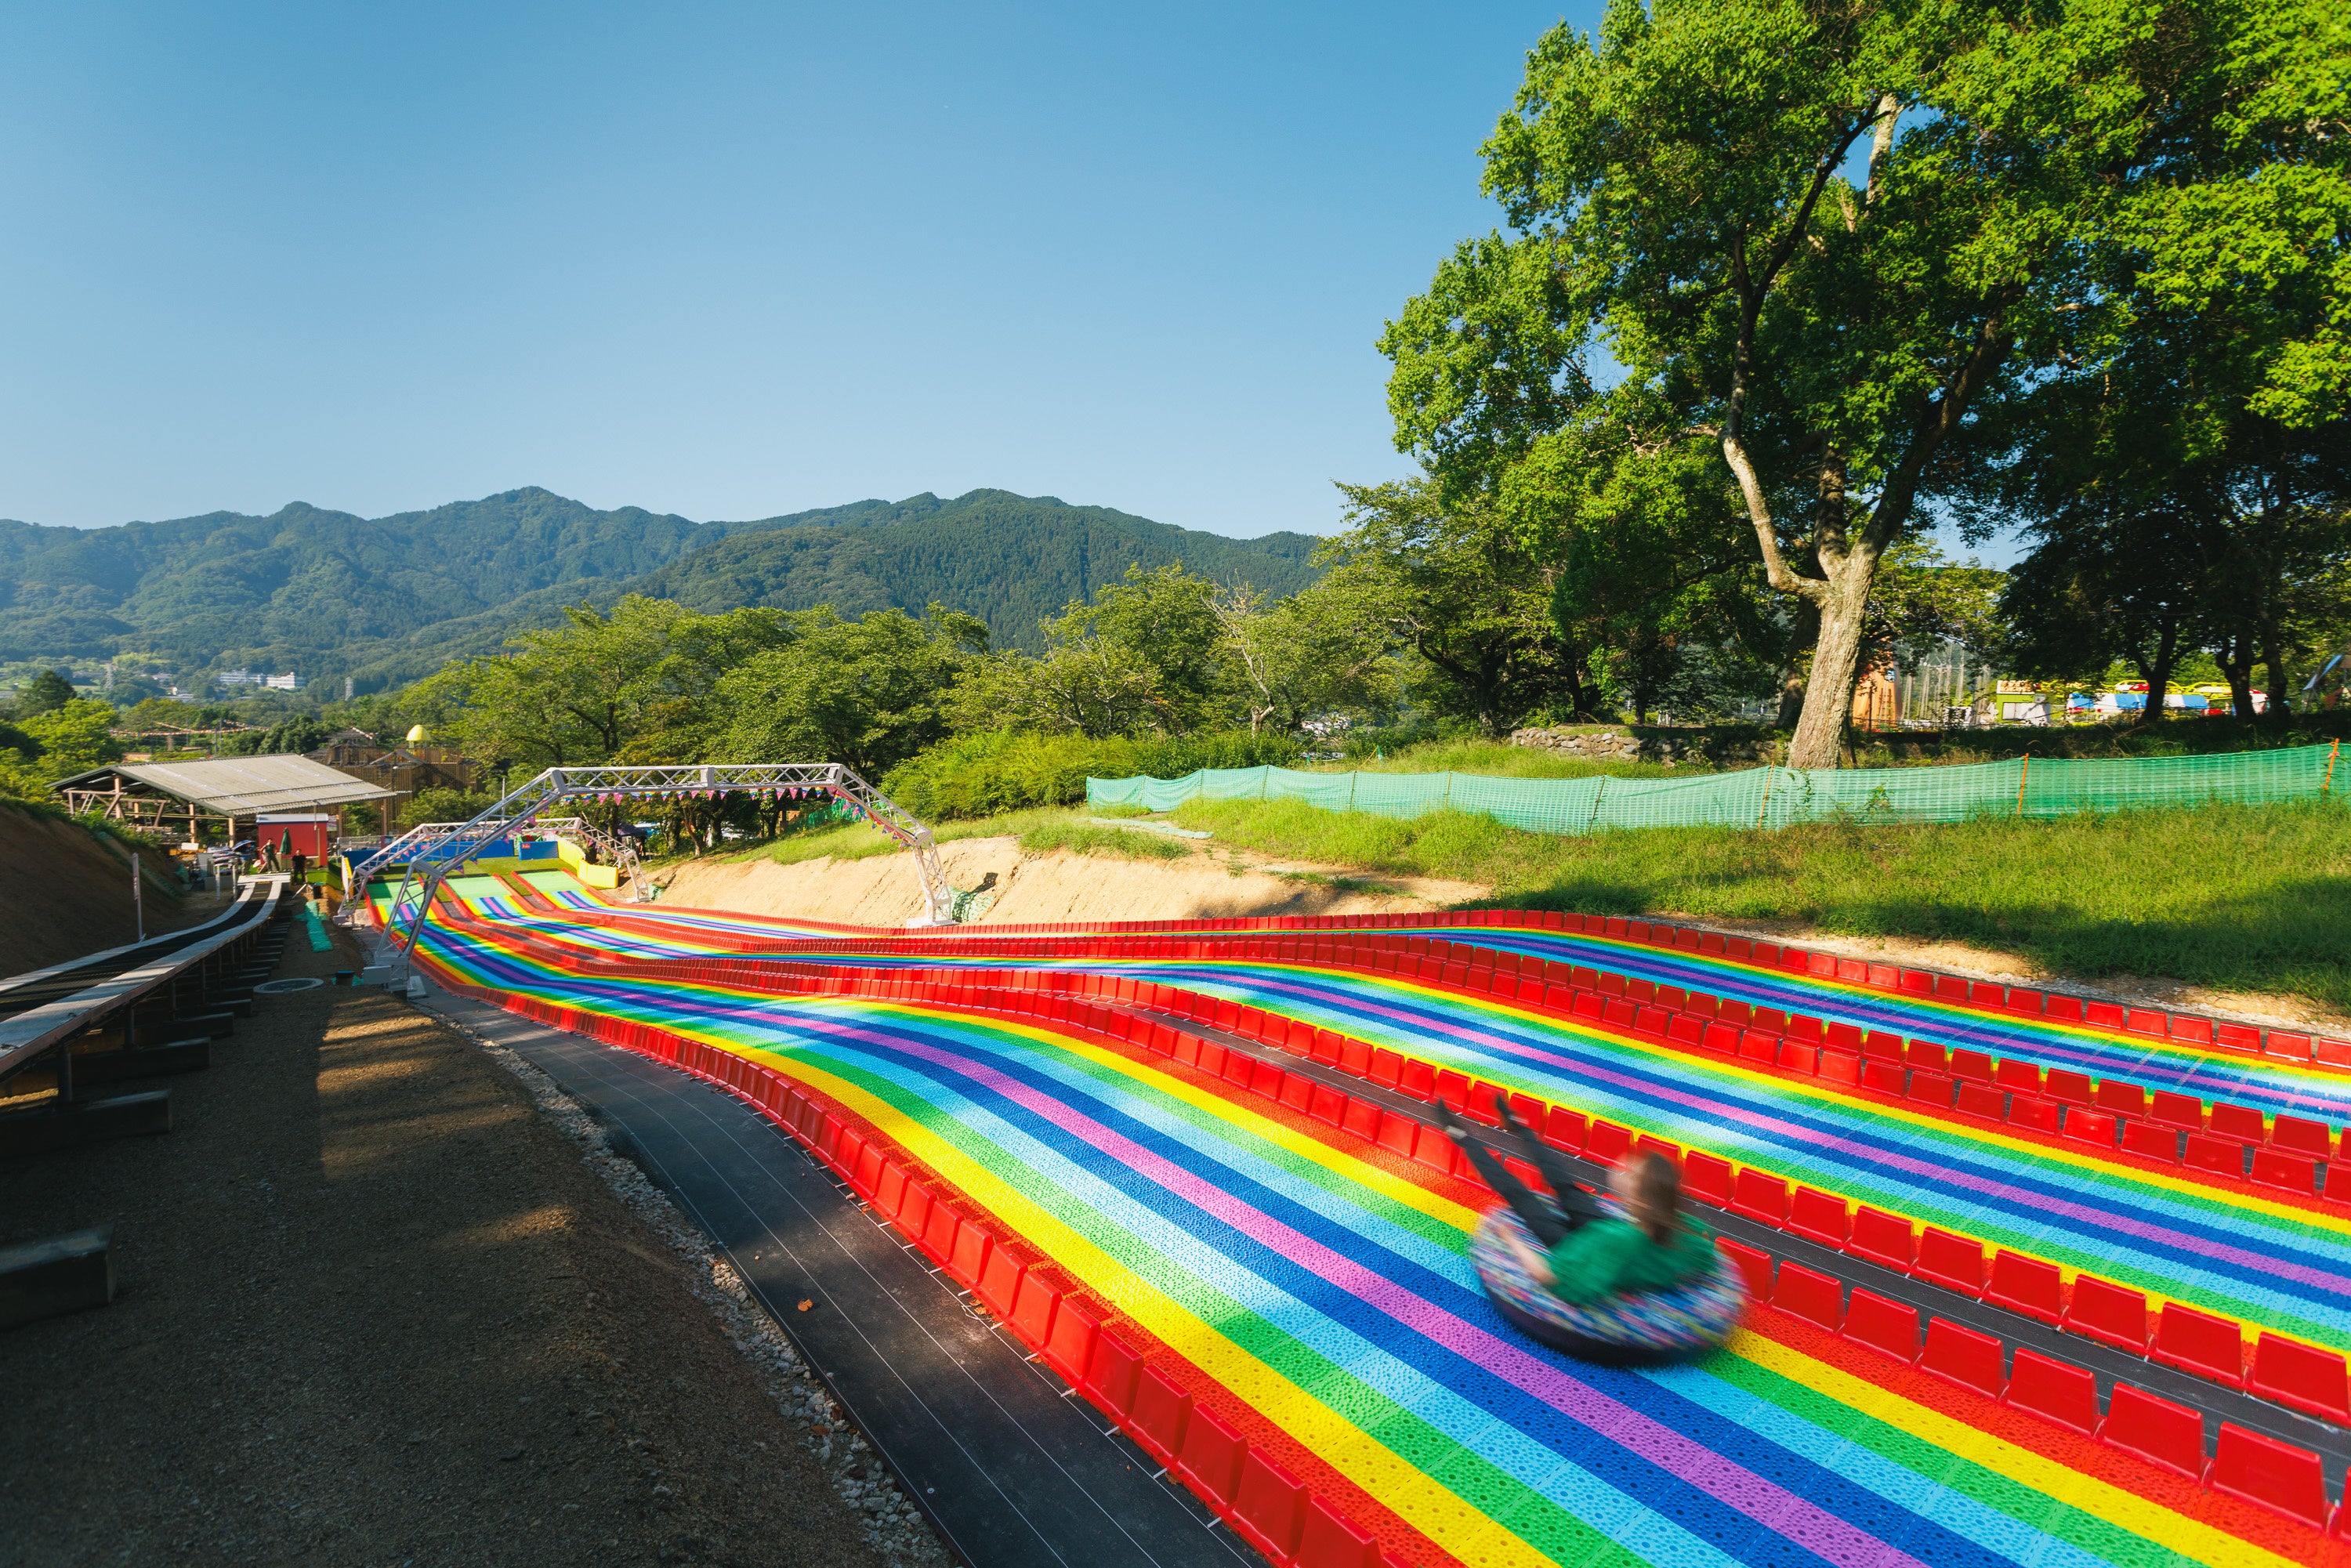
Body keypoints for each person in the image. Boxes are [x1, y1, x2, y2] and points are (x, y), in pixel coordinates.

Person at [1439, 1093, 1718, 1307]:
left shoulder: (1616, 1240)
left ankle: (1462, 1137)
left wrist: (1508, 1237)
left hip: (1583, 1247)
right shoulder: (1680, 1228)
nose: (1627, 1165)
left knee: (1522, 1198)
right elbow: (1704, 1250)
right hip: (1608, 1234)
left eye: (1634, 1174)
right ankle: (1519, 1126)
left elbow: (1549, 1275)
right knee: (1565, 1187)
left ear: (1644, 1202)